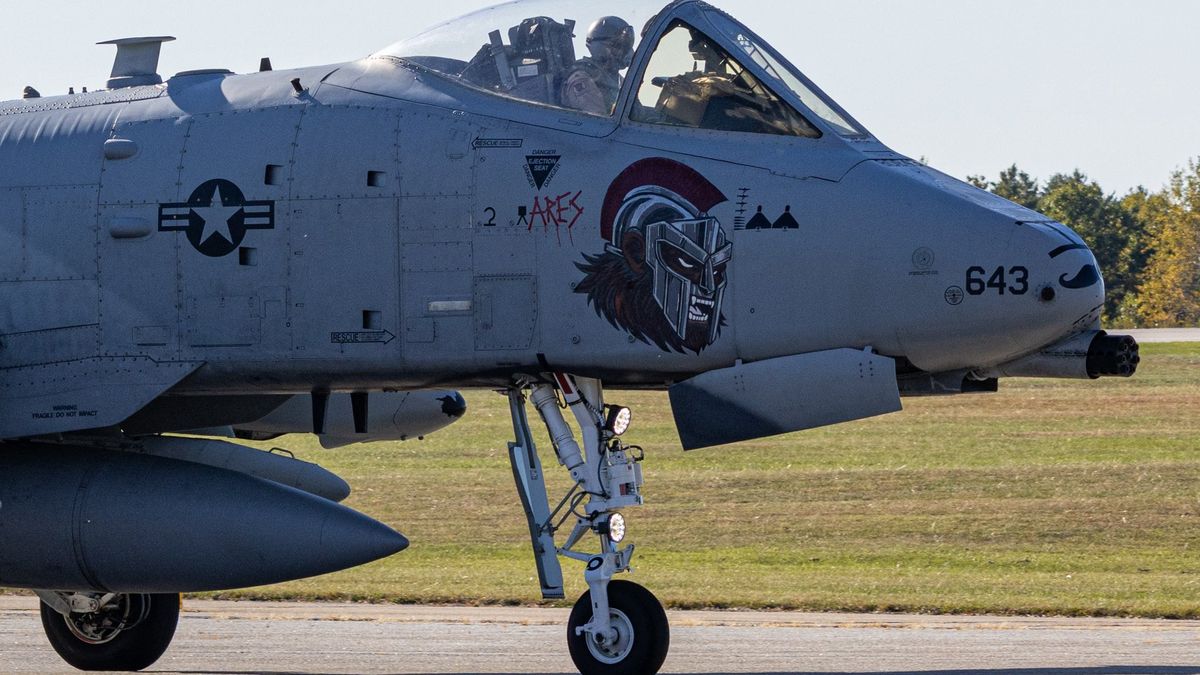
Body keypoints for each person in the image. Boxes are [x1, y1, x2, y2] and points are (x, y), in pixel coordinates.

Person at [559, 16, 635, 115]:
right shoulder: (581, 79)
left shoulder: (619, 81)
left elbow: (638, 115)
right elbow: (599, 120)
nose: (623, 52)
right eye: (617, 46)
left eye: (625, 47)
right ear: (599, 46)